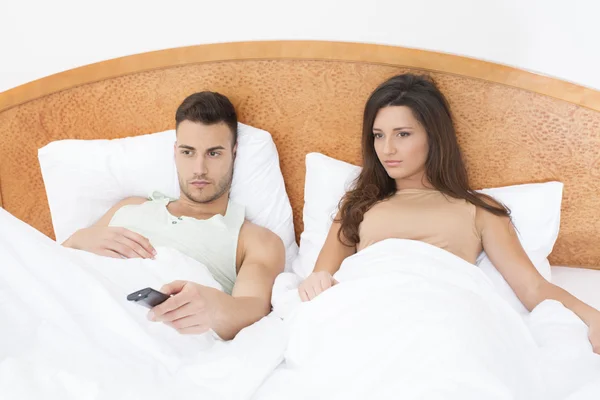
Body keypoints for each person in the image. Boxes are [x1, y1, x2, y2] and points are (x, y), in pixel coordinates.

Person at [297, 73, 600, 354]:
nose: (387, 149)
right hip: (367, 314)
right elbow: (319, 279)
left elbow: (533, 287)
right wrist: (320, 286)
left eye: (402, 134)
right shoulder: (358, 204)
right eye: (378, 135)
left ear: (433, 136)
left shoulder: (479, 211)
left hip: (441, 317)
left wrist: (593, 317)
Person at [63, 91, 285, 340]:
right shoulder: (128, 207)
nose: (199, 169)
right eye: (188, 152)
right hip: (76, 314)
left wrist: (213, 308)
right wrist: (76, 241)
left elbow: (253, 310)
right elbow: (48, 266)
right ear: (175, 152)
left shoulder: (255, 240)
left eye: (214, 153)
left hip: (146, 335)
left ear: (234, 154)